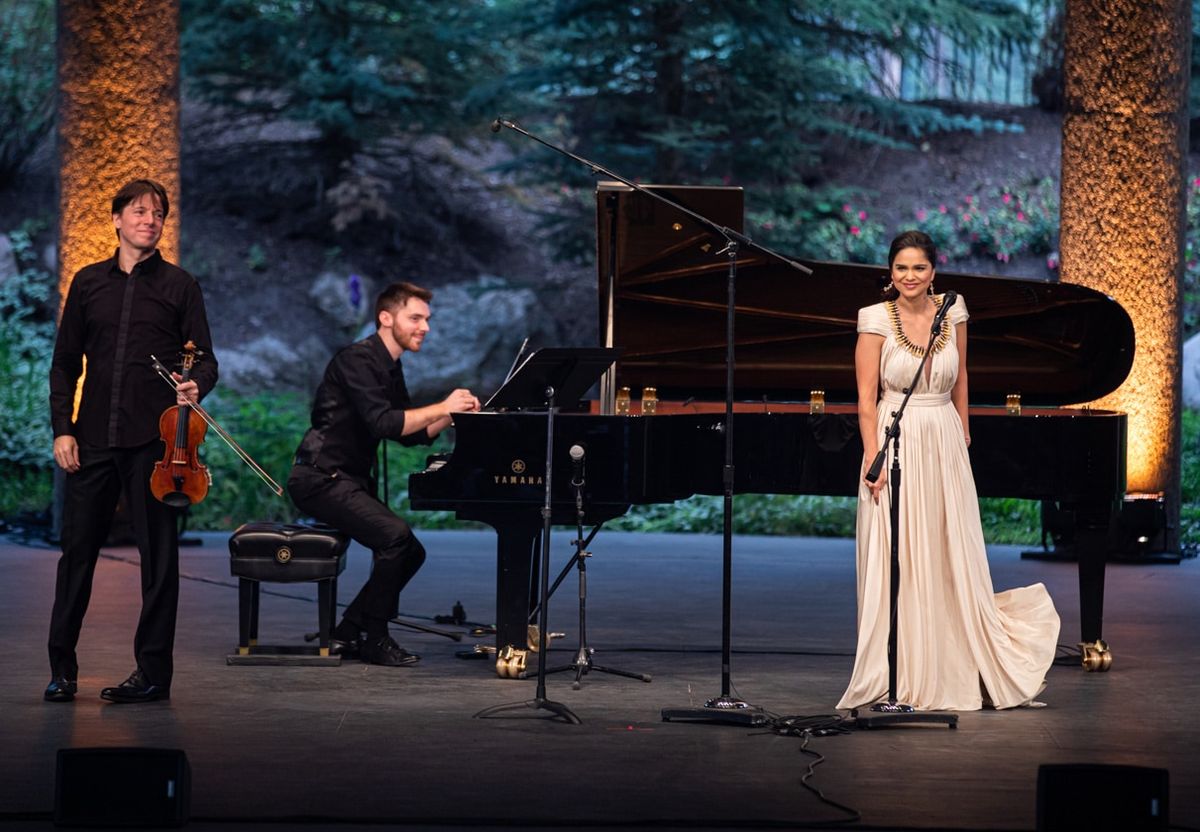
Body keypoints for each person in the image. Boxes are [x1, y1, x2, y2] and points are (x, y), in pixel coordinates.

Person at [837, 230, 1060, 712]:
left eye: (919, 268)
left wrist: (963, 432)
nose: (909, 277)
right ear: (889, 273)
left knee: (946, 549)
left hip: (943, 438)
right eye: (901, 268)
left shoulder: (952, 310)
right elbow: (866, 398)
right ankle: (904, 670)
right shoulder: (875, 318)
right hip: (897, 438)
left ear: (933, 271)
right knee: (903, 555)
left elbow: (963, 377)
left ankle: (956, 659)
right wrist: (873, 458)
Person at [47, 179, 218, 704]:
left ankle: (151, 675)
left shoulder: (179, 285)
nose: (150, 219)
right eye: (140, 211)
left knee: (160, 560)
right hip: (93, 437)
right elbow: (64, 363)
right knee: (77, 556)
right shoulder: (87, 283)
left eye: (159, 213)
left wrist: (195, 385)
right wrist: (62, 428)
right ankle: (62, 671)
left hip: (155, 444)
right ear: (117, 218)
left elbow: (206, 361)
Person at [287, 281, 480, 666]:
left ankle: (348, 631)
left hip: (346, 481)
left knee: (411, 551)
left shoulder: (390, 366)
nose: (424, 326)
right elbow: (382, 423)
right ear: (386, 318)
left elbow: (407, 435)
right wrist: (442, 404)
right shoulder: (357, 359)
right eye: (416, 317)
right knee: (396, 539)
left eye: (427, 319)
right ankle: (375, 638)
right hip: (319, 478)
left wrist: (449, 416)